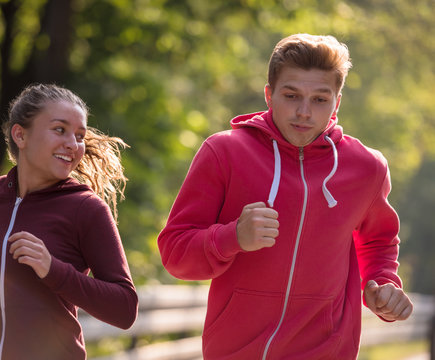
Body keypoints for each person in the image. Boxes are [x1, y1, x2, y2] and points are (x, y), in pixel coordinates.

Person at [157, 34, 413, 359]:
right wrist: (232, 236)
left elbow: (378, 242)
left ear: (337, 102)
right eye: (292, 95)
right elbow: (175, 254)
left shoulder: (367, 168)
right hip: (233, 352)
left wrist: (382, 283)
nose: (304, 112)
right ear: (269, 95)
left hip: (327, 351)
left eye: (320, 99)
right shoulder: (224, 153)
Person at [0, 84, 138, 359]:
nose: (73, 144)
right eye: (60, 129)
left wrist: (53, 270)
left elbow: (124, 308)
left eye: (80, 135)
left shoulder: (86, 209)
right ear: (20, 135)